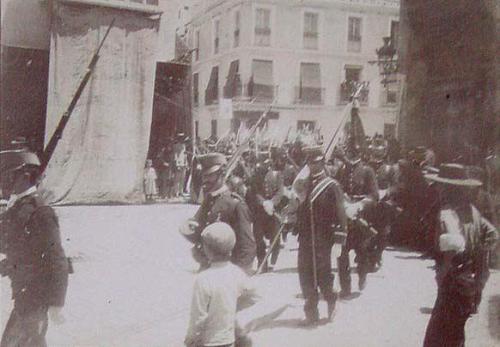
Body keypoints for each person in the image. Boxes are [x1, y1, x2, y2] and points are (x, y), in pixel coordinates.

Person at [0, 150, 70, 347]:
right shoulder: (17, 208)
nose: (2, 183)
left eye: (5, 177)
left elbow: (57, 259)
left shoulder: (41, 213)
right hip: (24, 295)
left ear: (24, 176)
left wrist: (56, 303)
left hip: (36, 297)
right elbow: (16, 247)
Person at [423, 164, 498, 347]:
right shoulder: (473, 212)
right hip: (469, 282)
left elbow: (449, 255)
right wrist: (477, 255)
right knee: (456, 334)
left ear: (449, 188)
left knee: (438, 337)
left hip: (452, 283)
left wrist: (441, 277)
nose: (439, 190)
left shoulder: (446, 215)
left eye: (441, 186)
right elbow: (493, 235)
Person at [294, 146, 347, 325]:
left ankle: (331, 300)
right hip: (306, 238)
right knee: (305, 274)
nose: (312, 166)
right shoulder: (303, 184)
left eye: (316, 162)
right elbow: (300, 210)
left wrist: (340, 240)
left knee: (323, 274)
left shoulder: (332, 185)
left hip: (324, 238)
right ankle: (311, 310)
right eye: (309, 163)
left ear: (323, 163)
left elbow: (341, 214)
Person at [180, 153, 256, 274]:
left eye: (210, 175)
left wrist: (239, 276)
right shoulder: (209, 200)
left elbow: (247, 247)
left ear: (222, 175)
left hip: (227, 271)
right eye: (204, 175)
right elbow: (199, 234)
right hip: (207, 269)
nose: (205, 180)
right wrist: (187, 229)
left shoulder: (235, 204)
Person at [184, 222, 257, 347]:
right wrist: (233, 306)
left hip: (208, 341)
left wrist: (190, 338)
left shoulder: (203, 279)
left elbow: (198, 317)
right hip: (229, 339)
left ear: (207, 250)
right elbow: (255, 296)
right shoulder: (236, 272)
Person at [336, 142, 379, 295]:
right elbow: (336, 191)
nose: (350, 156)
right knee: (341, 253)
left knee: (362, 252)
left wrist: (359, 205)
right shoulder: (341, 170)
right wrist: (344, 204)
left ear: (359, 154)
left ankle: (362, 275)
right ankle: (345, 287)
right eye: (349, 152)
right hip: (345, 217)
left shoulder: (368, 171)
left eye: (353, 153)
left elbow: (374, 196)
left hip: (361, 218)